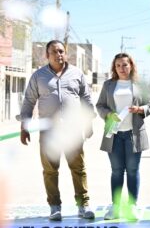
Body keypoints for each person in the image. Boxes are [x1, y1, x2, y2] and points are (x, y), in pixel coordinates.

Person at [20, 40, 96, 221]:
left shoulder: (77, 74)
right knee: (50, 171)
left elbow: (86, 98)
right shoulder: (38, 76)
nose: (58, 54)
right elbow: (29, 101)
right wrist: (25, 125)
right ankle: (55, 207)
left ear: (66, 54)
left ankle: (83, 205)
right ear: (47, 55)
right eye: (54, 52)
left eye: (61, 51)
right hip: (49, 132)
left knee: (78, 168)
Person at [96, 53, 150, 220]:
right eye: (118, 65)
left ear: (131, 66)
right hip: (113, 134)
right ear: (114, 68)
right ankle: (115, 207)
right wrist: (108, 115)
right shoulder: (108, 85)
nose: (122, 68)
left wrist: (140, 109)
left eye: (125, 65)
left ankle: (132, 206)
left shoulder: (139, 84)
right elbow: (100, 105)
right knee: (116, 171)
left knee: (133, 170)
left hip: (133, 134)